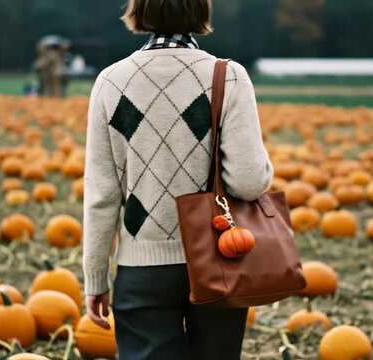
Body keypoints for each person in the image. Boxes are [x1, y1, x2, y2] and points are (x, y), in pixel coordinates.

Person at [82, 0, 273, 359]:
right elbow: (249, 182)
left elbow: (102, 195)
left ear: (138, 10)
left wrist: (95, 278)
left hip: (142, 267)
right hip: (219, 257)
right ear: (201, 9)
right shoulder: (228, 76)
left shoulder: (110, 81)